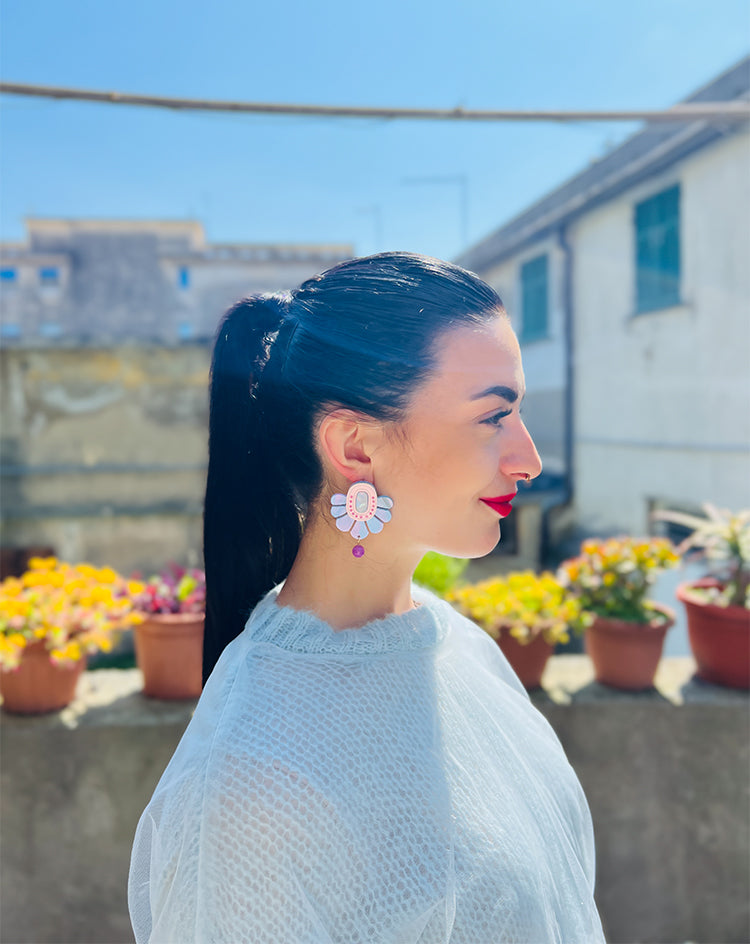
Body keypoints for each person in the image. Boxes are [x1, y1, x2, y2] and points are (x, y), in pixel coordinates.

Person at [128, 252, 605, 943]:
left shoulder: (456, 645)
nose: (528, 457)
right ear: (354, 448)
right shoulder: (247, 783)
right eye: (492, 417)